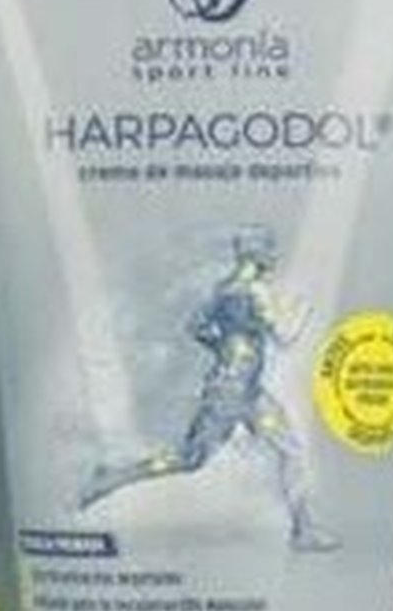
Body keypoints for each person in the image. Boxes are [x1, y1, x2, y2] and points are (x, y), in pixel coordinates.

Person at [80, 227, 339, 552]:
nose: (274, 258)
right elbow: (285, 337)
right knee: (190, 459)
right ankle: (111, 477)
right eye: (269, 251)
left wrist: (224, 348)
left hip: (244, 392)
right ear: (256, 254)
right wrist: (305, 309)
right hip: (231, 396)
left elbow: (195, 326)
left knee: (289, 450)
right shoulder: (255, 291)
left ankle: (304, 530)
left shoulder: (224, 290)